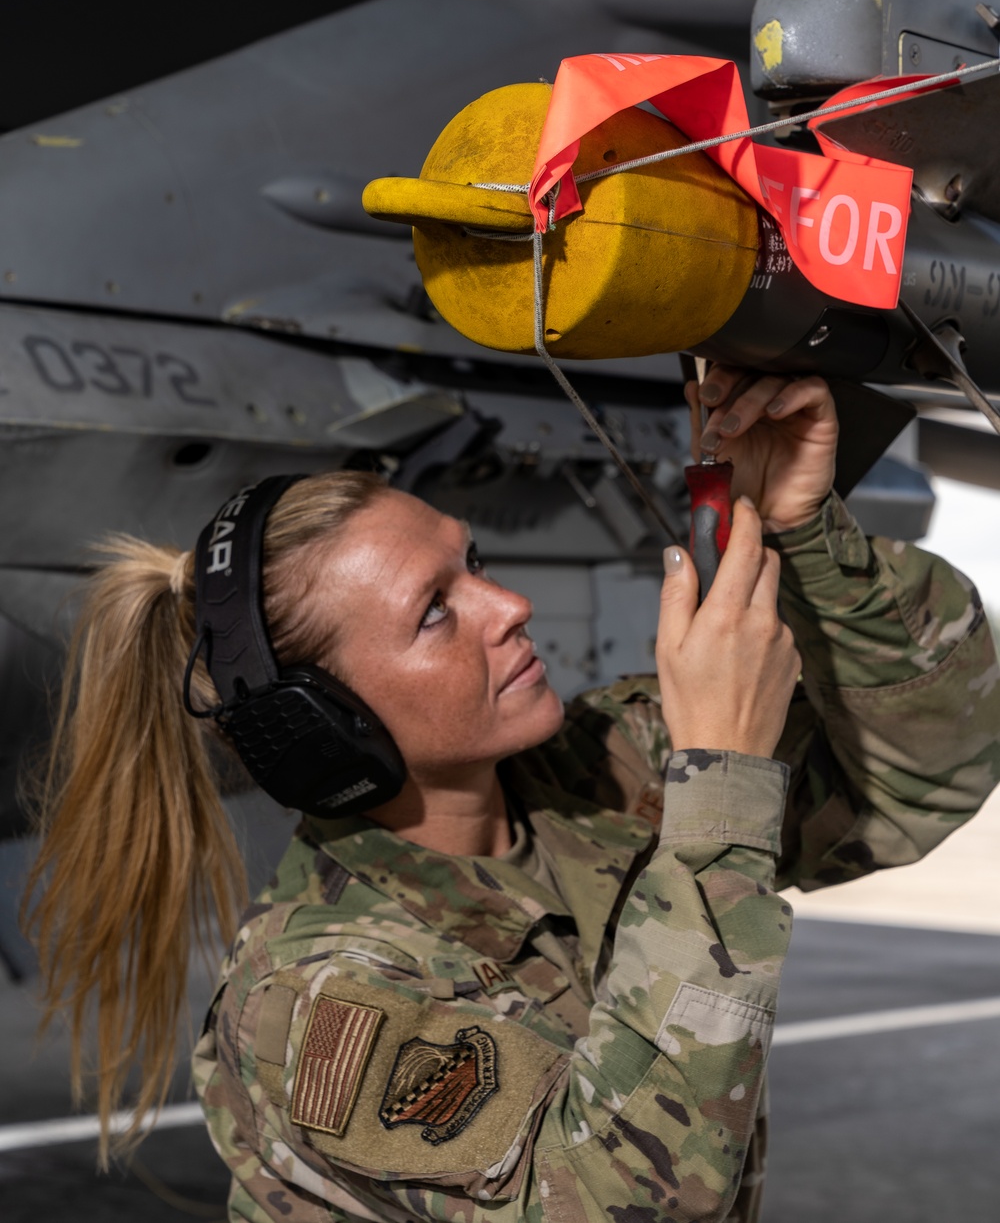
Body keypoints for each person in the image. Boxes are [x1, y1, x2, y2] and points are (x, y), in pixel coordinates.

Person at [24, 368, 1000, 1223]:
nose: (509, 605)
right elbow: (631, 1199)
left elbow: (931, 765)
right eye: (435, 612)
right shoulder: (327, 999)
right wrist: (723, 775)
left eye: (474, 565)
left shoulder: (600, 771)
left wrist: (801, 531)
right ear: (323, 722)